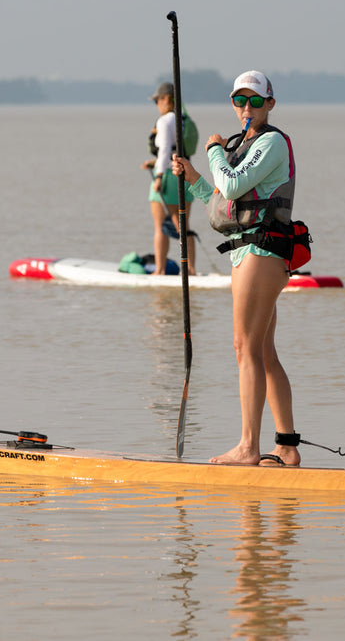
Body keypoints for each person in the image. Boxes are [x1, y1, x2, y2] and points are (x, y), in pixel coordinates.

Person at [171, 71, 300, 467]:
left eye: (256, 101)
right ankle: (286, 446)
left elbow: (230, 185)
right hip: (247, 252)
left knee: (244, 347)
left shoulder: (271, 142)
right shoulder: (241, 146)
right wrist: (193, 179)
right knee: (262, 350)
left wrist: (210, 151)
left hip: (261, 253)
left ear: (270, 104)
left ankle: (248, 446)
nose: (247, 108)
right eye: (240, 101)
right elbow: (224, 207)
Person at [141, 82, 197, 275]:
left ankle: (160, 270)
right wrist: (153, 162)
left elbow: (165, 149)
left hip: (167, 175)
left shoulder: (165, 121)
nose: (157, 104)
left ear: (166, 99)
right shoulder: (183, 118)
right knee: (184, 225)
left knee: (160, 227)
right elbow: (175, 149)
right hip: (184, 172)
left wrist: (158, 176)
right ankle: (190, 270)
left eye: (157, 100)